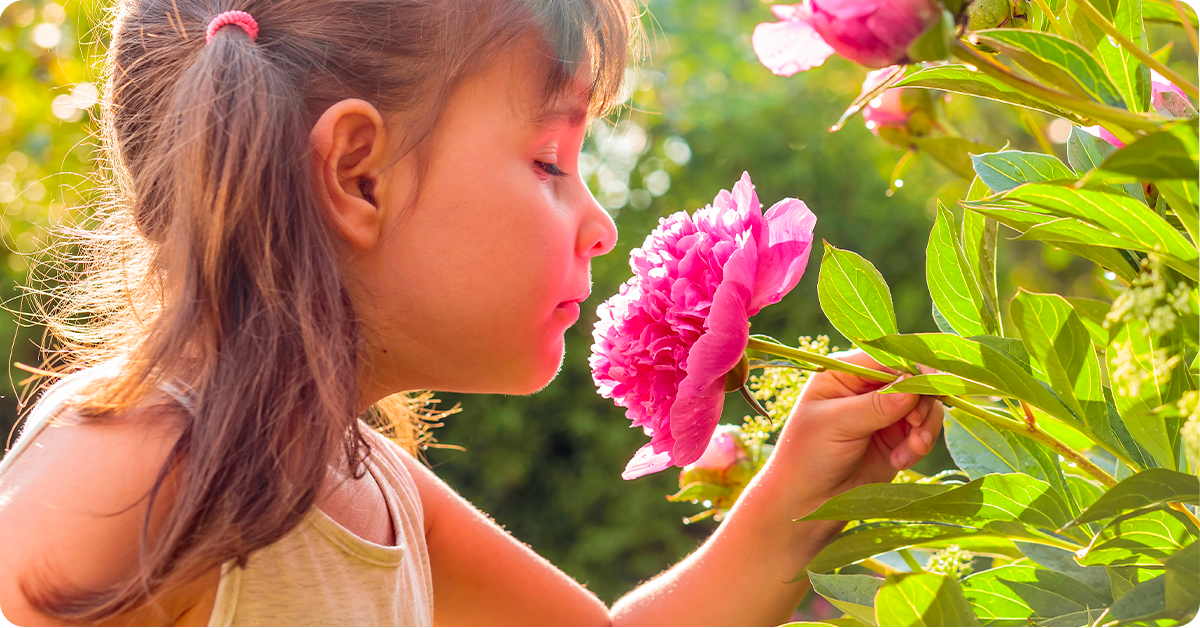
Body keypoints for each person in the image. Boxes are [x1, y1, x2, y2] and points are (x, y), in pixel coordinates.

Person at [0, 0, 945, 624]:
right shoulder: (127, 474)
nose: (601, 224)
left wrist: (801, 495)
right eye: (548, 162)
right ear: (356, 176)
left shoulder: (373, 488)